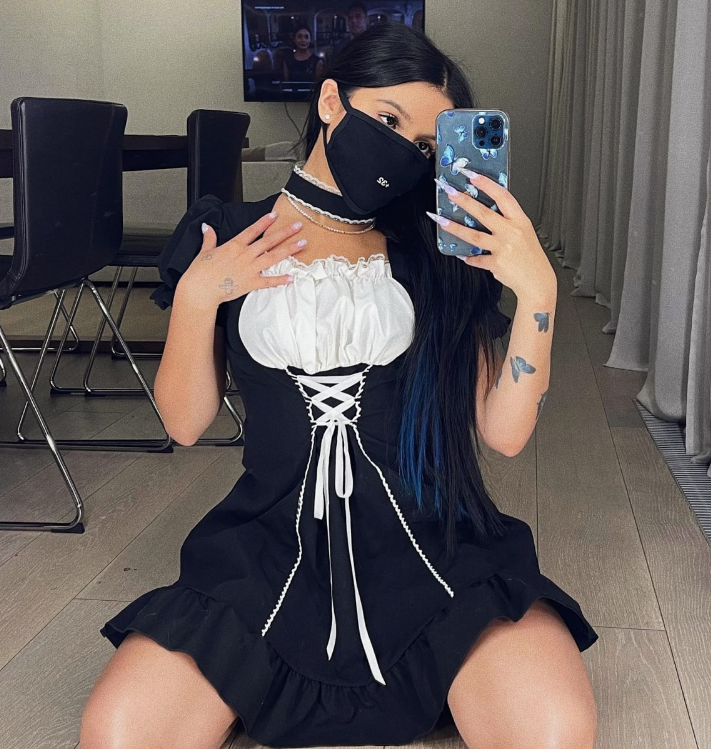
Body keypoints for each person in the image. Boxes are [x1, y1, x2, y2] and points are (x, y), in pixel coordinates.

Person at [80, 22, 599, 749]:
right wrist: (198, 297)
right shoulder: (225, 232)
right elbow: (186, 423)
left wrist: (537, 290)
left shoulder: (440, 253)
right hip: (266, 552)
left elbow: (505, 434)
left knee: (553, 734)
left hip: (435, 548)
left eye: (425, 146)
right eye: (387, 119)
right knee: (119, 736)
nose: (403, 151)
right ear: (331, 101)